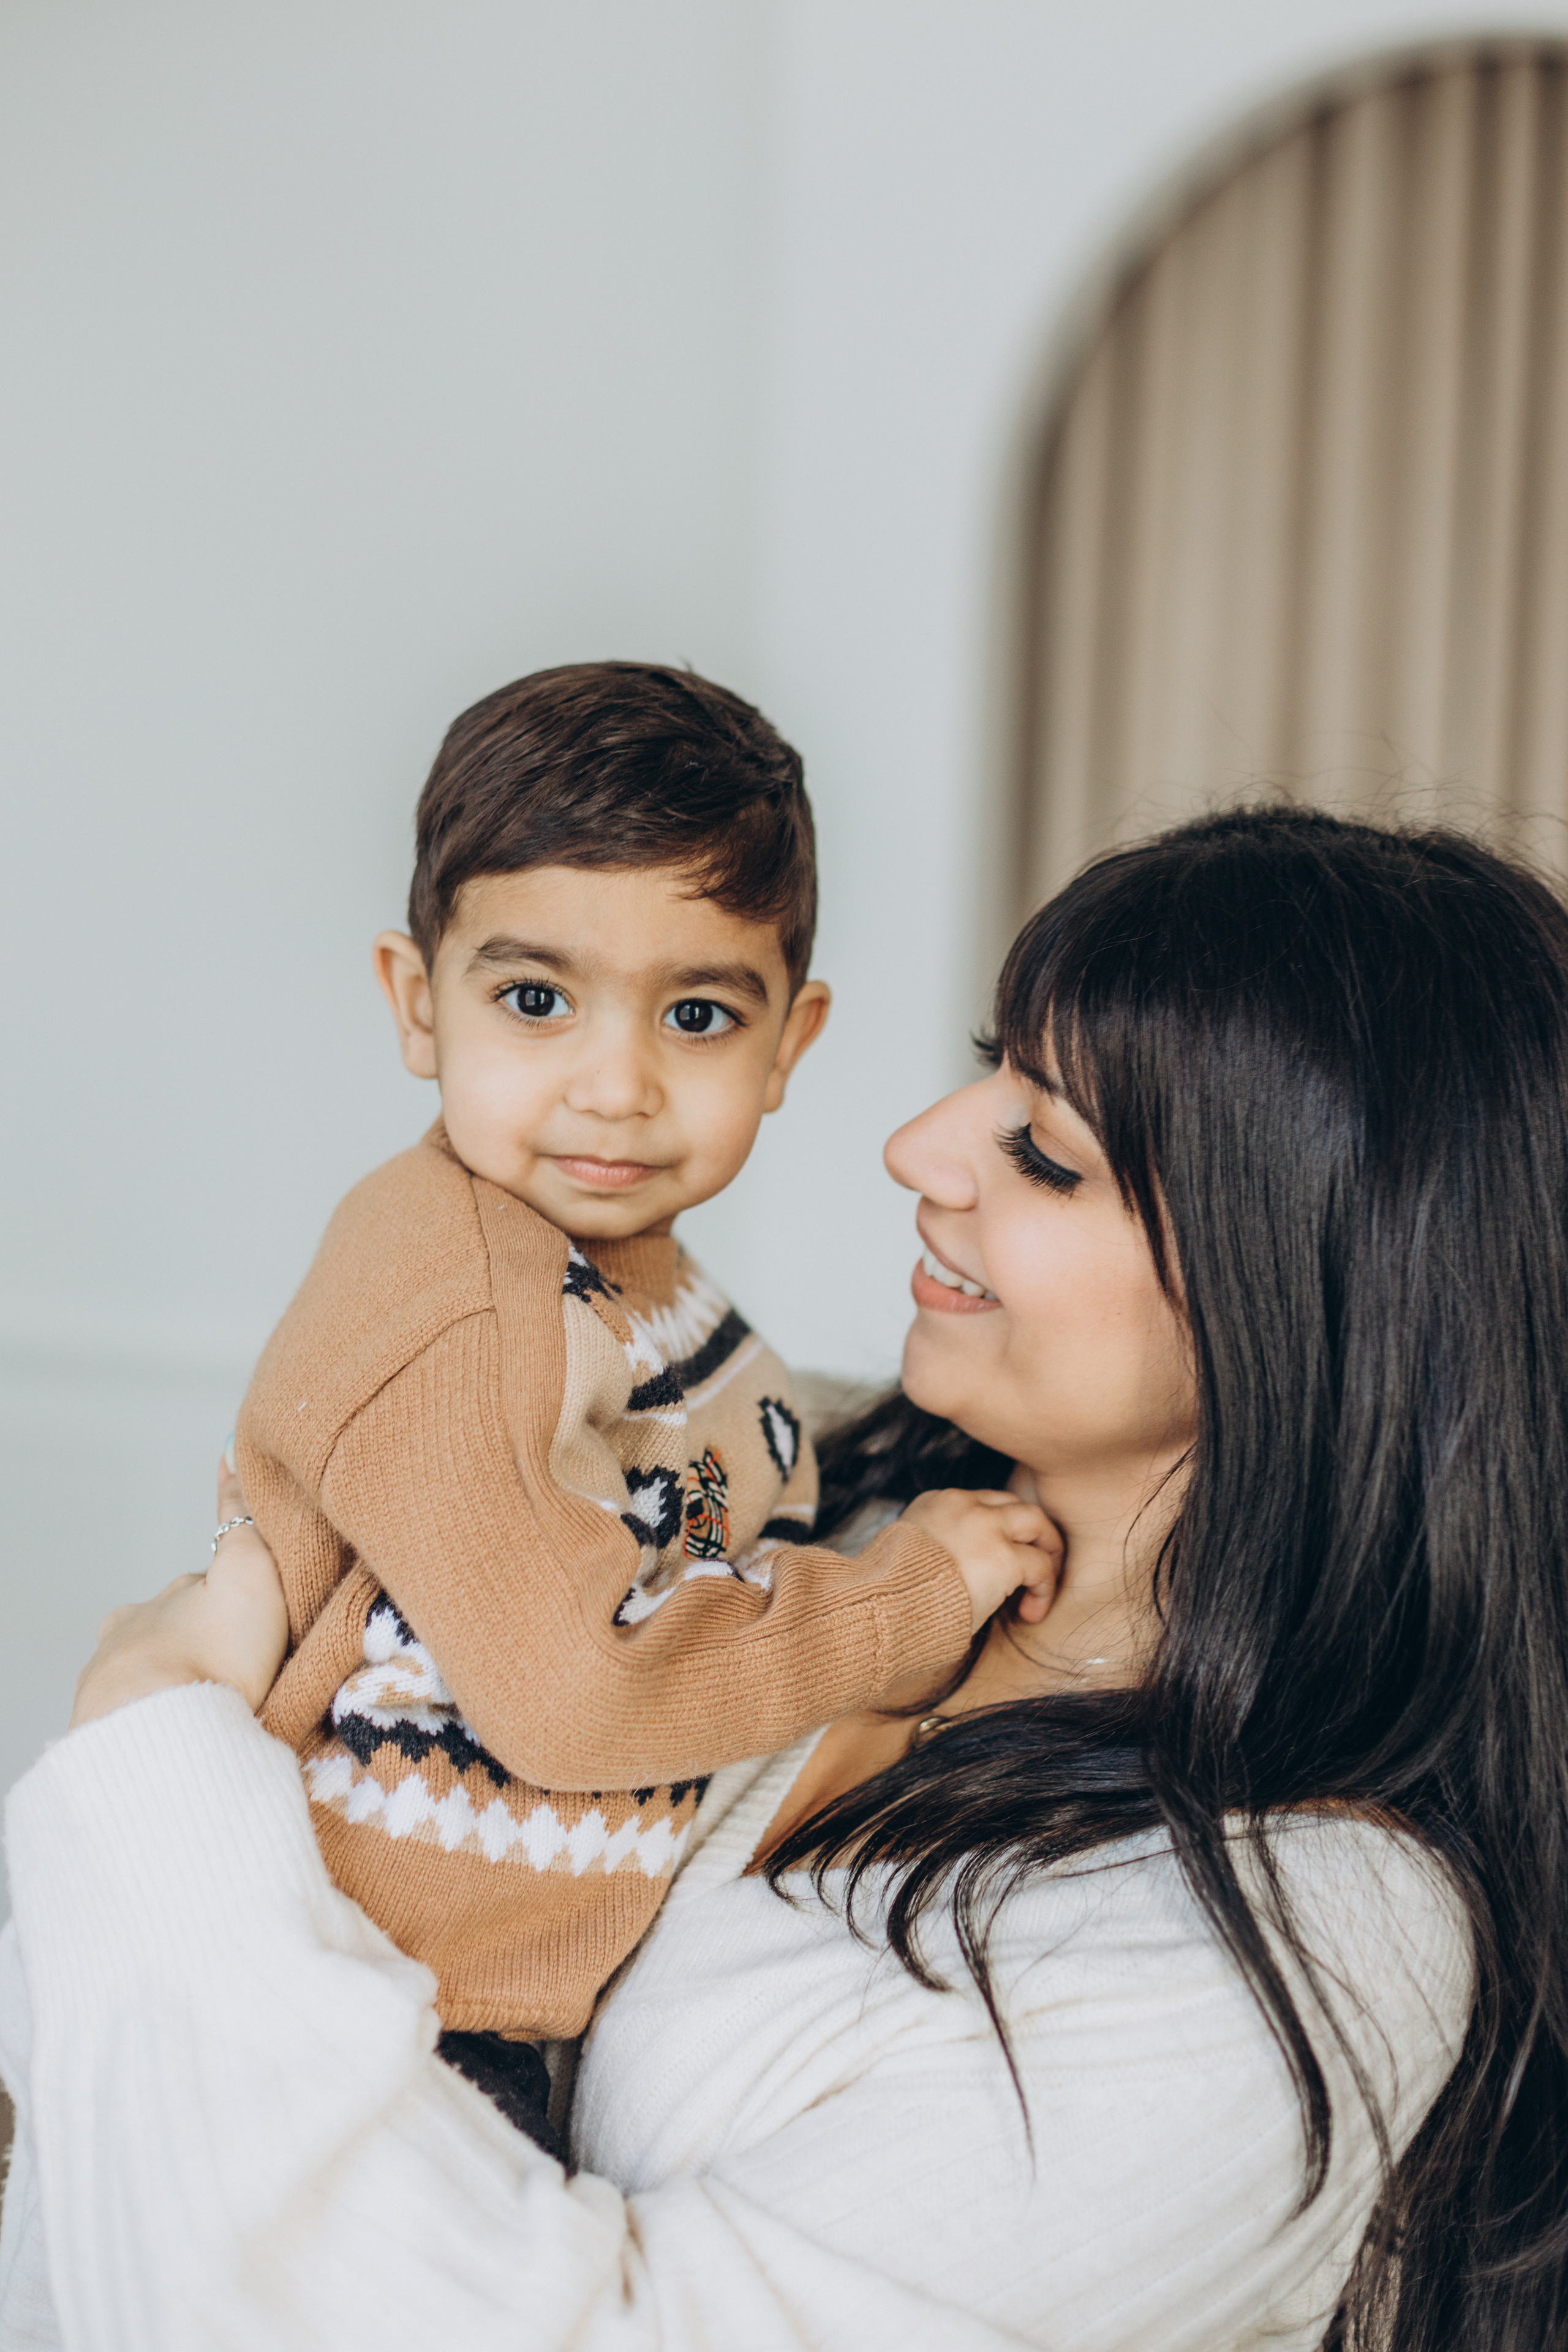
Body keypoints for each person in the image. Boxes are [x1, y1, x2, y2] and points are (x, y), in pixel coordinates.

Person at [7, 804, 1568, 2350]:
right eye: (986, 1070)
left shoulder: (1305, 1929)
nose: (917, 1149)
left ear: (1311, 1297)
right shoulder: (787, 1468)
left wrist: (152, 1745)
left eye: (1042, 1150)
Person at [230, 661, 1052, 2144]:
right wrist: (908, 1598)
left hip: (475, 1991)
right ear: (418, 1005)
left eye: (693, 1017)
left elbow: (723, 1497)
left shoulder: (620, 1271)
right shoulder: (465, 1298)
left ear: (786, 1044)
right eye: (534, 999)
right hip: (358, 2012)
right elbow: (579, 1690)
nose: (614, 1086)